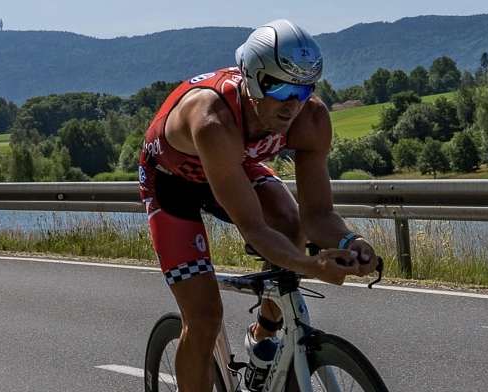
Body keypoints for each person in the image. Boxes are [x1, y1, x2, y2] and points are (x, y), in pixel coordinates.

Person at [139, 19, 380, 391]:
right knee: (204, 319)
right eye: (279, 87)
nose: (291, 105)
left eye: (302, 90)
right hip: (173, 185)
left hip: (235, 165)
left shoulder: (311, 118)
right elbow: (254, 228)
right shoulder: (213, 120)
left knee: (291, 221)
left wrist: (351, 241)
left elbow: (316, 215)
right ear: (251, 79)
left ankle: (264, 335)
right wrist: (311, 264)